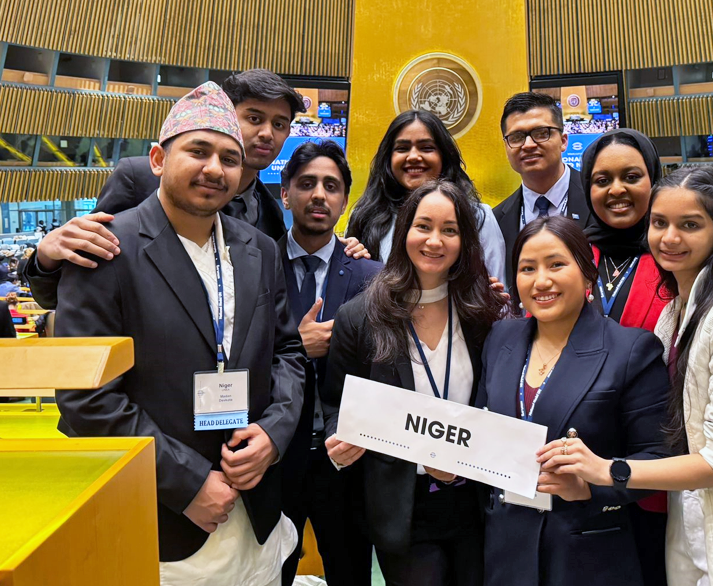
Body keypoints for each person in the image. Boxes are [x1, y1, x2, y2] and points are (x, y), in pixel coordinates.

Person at [53, 82, 307, 586]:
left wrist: (273, 435)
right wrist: (187, 483)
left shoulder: (259, 247)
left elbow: (287, 352)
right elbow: (86, 398)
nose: (215, 168)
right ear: (156, 159)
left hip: (254, 508)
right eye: (198, 150)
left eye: (230, 158)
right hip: (159, 516)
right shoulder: (104, 248)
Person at [538, 166, 713, 586]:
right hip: (692, 523)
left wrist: (608, 471)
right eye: (659, 223)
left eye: (690, 225)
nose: (669, 238)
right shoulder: (676, 311)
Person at [23, 69, 365, 310]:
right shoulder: (140, 178)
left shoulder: (272, 216)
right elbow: (75, 284)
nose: (267, 134)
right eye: (254, 118)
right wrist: (46, 259)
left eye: (279, 125)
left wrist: (341, 249)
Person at [322, 180, 505, 585]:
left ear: (465, 240)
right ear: (404, 230)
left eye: (450, 230)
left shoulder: (484, 313)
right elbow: (334, 402)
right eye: (423, 226)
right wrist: (339, 439)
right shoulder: (360, 316)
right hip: (401, 506)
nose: (434, 241)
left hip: (476, 503)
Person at [478, 215, 670, 586]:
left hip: (586, 554)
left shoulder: (631, 350)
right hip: (506, 548)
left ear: (587, 273)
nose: (541, 281)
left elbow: (658, 458)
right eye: (527, 268)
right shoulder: (500, 338)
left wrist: (591, 484)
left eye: (556, 264)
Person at [276, 140, 381, 586]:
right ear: (285, 194)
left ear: (343, 199)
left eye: (331, 186)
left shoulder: (370, 276)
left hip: (345, 458)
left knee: (351, 571)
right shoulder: (254, 263)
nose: (319, 195)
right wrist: (297, 346)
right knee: (270, 572)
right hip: (275, 456)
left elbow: (383, 370)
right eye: (306, 184)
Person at [345, 110, 505, 283]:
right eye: (402, 148)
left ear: (444, 156)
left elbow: (498, 294)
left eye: (426, 148)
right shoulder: (364, 217)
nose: (413, 156)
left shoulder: (478, 217)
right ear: (388, 159)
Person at [493, 92, 595, 293]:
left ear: (563, 141)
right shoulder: (497, 220)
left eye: (541, 133)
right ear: (506, 146)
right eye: (517, 137)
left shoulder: (596, 198)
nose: (528, 145)